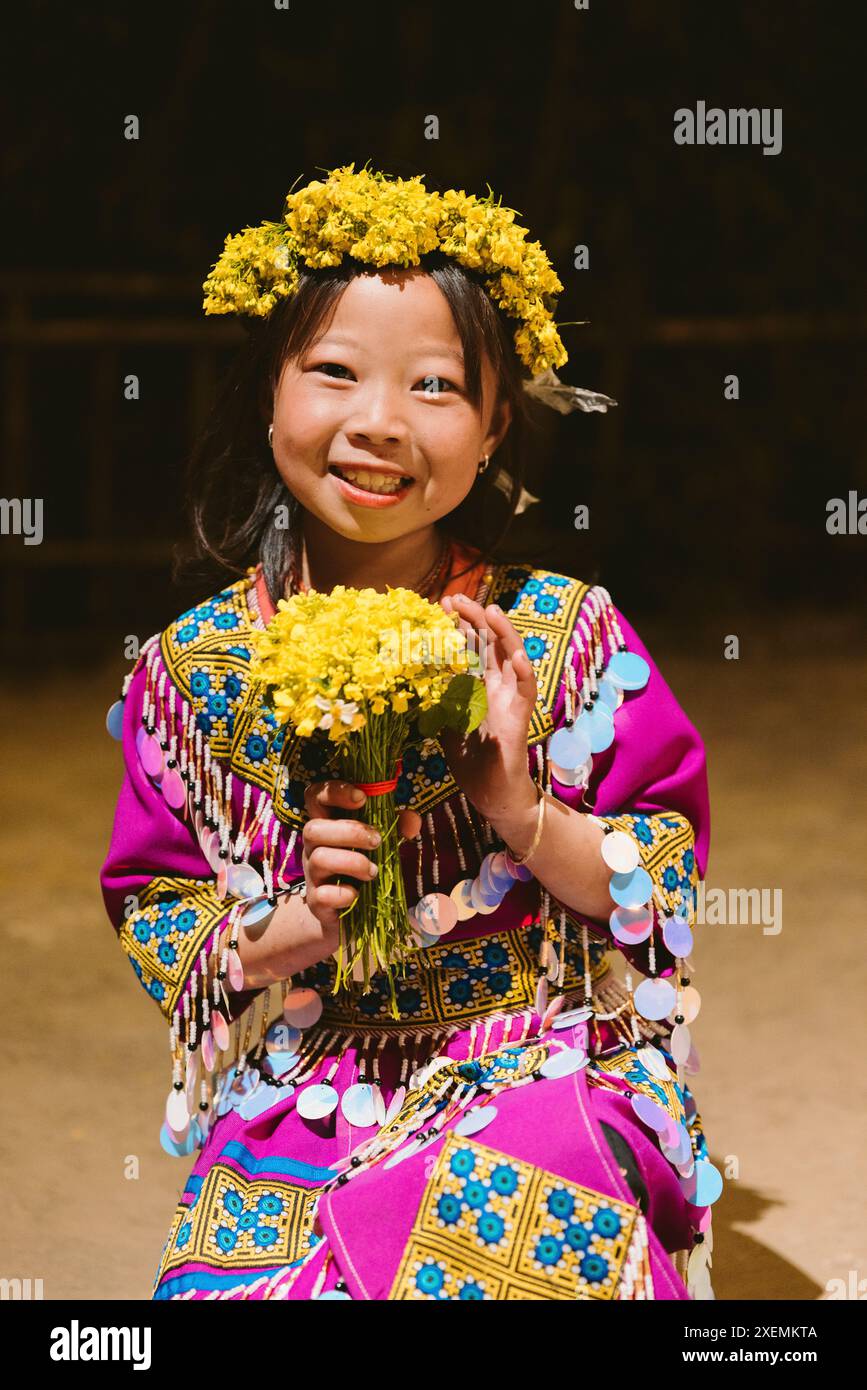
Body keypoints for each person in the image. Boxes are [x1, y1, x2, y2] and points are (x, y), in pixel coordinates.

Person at [100, 163, 719, 1301]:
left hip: (538, 1064)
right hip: (310, 1089)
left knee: (490, 1247)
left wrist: (520, 812)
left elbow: (664, 876)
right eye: (334, 372)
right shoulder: (190, 666)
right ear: (268, 396)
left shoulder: (566, 636)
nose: (378, 423)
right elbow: (157, 905)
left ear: (493, 429)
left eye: (435, 386)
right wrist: (285, 931)